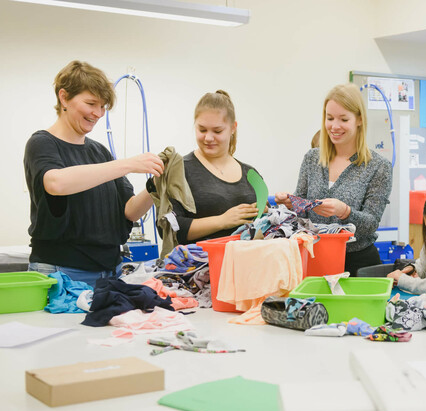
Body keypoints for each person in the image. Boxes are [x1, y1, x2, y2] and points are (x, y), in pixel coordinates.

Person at [24, 60, 164, 286]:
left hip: (110, 271)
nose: (98, 113)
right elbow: (56, 183)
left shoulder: (100, 152)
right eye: (91, 103)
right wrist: (128, 164)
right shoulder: (42, 143)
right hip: (61, 272)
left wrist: (155, 187)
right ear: (63, 97)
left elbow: (129, 211)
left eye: (103, 106)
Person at [275, 83, 392, 276]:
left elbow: (371, 223)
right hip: (313, 258)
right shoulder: (312, 159)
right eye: (329, 118)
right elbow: (302, 214)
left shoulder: (379, 167)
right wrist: (291, 203)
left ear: (360, 120)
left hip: (358, 265)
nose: (334, 126)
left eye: (343, 119)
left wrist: (345, 212)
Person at [171, 90, 262, 244]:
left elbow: (267, 226)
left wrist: (264, 216)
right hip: (201, 264)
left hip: (247, 263)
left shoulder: (251, 174)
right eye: (202, 130)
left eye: (217, 131)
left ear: (233, 128)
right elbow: (171, 228)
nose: (208, 138)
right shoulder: (180, 170)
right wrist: (222, 221)